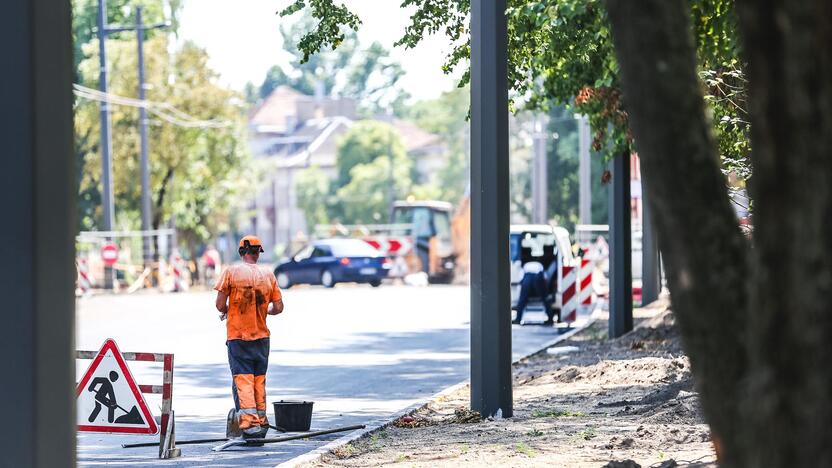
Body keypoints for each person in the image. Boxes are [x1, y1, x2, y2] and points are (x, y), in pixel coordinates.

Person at [215, 235, 284, 440]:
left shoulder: (231, 272)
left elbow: (219, 305)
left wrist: (230, 310)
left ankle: (251, 426)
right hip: (262, 338)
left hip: (238, 337)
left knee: (243, 381)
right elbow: (278, 307)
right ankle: (261, 423)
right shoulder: (268, 275)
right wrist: (264, 311)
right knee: (258, 381)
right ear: (257, 252)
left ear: (241, 252)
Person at [512, 258, 559, 326]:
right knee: (545, 299)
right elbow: (545, 277)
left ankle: (518, 320)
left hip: (527, 277)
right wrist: (545, 290)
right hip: (538, 276)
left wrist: (524, 291)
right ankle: (550, 320)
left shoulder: (525, 265)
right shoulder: (540, 265)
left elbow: (521, 278)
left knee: (522, 299)